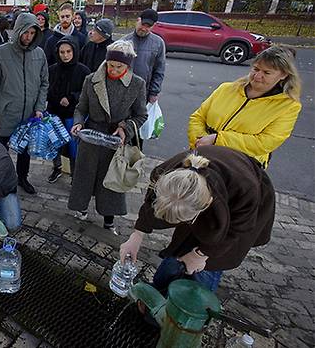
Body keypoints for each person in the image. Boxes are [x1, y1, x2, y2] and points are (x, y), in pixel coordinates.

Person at [119, 146, 276, 293]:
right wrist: (136, 236)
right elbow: (150, 204)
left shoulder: (245, 190)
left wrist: (201, 255)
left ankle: (192, 300)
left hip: (245, 200)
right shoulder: (165, 174)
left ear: (206, 205)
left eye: (186, 220)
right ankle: (159, 291)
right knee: (182, 246)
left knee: (210, 263)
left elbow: (236, 232)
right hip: (197, 197)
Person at [68, 40, 148, 229]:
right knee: (84, 177)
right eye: (110, 65)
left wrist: (125, 128)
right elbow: (81, 108)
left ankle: (109, 219)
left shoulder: (137, 84)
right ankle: (82, 209)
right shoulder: (91, 79)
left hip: (115, 140)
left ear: (127, 65)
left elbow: (141, 115)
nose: (113, 69)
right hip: (91, 137)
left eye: (118, 66)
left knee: (111, 180)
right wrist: (78, 123)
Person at [187, 46, 302, 169]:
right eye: (256, 69)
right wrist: (200, 140)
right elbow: (198, 117)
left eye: (267, 72)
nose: (257, 76)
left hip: (241, 163)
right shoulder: (226, 88)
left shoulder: (288, 106)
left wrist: (217, 140)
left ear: (283, 75)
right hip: (201, 151)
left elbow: (266, 142)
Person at [0, 13, 49, 195]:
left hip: (29, 115)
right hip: (6, 114)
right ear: (18, 30)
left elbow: (44, 82)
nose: (28, 37)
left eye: (32, 33)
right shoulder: (1, 53)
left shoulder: (39, 54)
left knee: (25, 152)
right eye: (26, 32)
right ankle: (1, 181)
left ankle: (22, 178)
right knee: (0, 153)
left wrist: (39, 108)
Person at [46, 36, 91, 182]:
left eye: (68, 51)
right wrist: (58, 98)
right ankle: (57, 168)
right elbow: (46, 89)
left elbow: (87, 93)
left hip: (73, 114)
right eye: (62, 52)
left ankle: (75, 174)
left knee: (73, 146)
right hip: (55, 112)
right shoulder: (52, 69)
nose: (65, 55)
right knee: (55, 143)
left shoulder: (83, 70)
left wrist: (71, 97)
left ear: (74, 51)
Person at [121, 9, 165, 104]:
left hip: (144, 92)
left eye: (148, 26)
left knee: (140, 118)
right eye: (142, 24)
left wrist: (154, 92)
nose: (144, 28)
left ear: (154, 26)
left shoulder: (158, 43)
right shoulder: (124, 41)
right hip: (123, 90)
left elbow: (159, 70)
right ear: (138, 20)